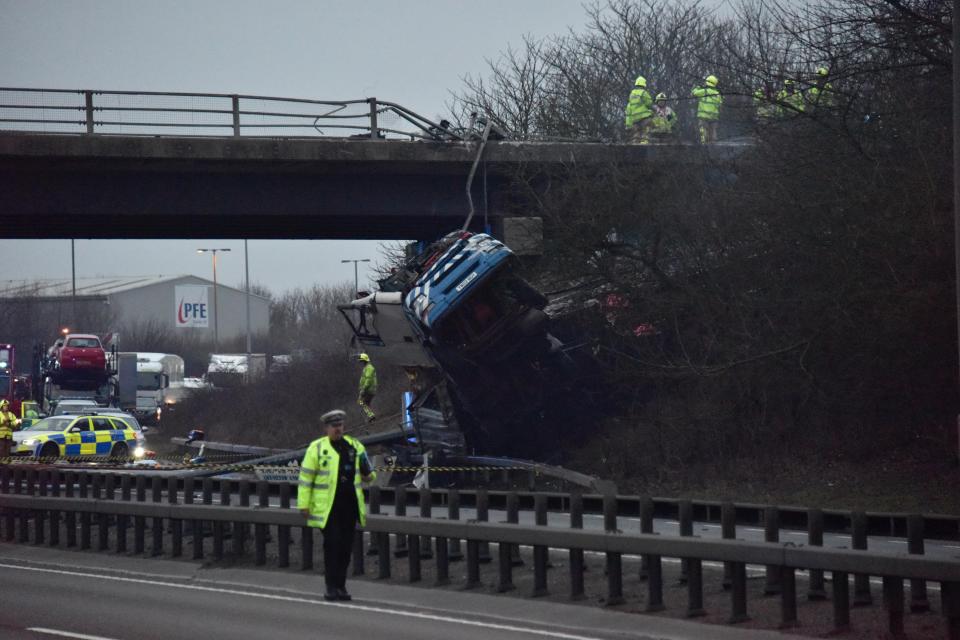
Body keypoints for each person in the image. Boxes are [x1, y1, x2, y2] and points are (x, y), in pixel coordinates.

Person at [298, 409, 376, 601]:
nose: (338, 429)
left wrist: (367, 472)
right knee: (333, 544)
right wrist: (303, 504)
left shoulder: (354, 446)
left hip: (349, 505)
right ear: (326, 428)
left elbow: (369, 476)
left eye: (340, 425)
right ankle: (331, 586)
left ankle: (341, 586)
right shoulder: (316, 449)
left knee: (345, 547)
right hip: (327, 508)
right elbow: (306, 478)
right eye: (334, 426)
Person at [691, 75, 722, 143]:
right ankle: (713, 147)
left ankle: (704, 147)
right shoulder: (717, 94)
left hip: (703, 117)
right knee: (713, 133)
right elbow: (720, 105)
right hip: (714, 117)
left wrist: (698, 87)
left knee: (703, 133)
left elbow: (694, 93)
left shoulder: (704, 91)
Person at [624, 75, 653, 144]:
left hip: (635, 117)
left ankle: (635, 142)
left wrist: (628, 123)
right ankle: (644, 141)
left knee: (636, 132)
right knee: (646, 128)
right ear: (644, 84)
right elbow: (649, 103)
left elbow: (629, 107)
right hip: (644, 116)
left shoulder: (632, 94)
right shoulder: (643, 92)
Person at [356, 353, 377, 422]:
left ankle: (371, 416)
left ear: (365, 360)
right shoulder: (366, 368)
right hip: (367, 389)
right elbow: (364, 379)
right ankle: (371, 416)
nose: (361, 363)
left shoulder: (369, 368)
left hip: (368, 389)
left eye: (361, 361)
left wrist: (363, 389)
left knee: (361, 402)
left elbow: (368, 379)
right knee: (366, 403)